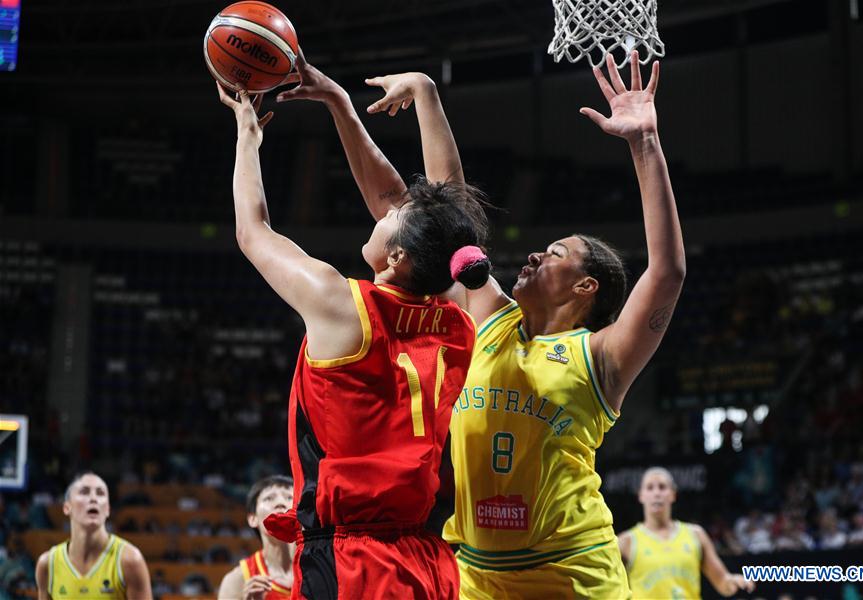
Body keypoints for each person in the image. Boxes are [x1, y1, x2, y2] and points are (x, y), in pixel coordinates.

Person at [283, 50, 685, 597]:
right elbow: (432, 217)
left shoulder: (602, 356)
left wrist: (643, 143)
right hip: (475, 576)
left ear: (586, 287)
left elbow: (667, 270)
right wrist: (421, 94)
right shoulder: (490, 319)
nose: (535, 256)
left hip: (572, 573)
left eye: (556, 253)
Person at [216, 63, 491, 599]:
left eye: (390, 218)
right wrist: (342, 104)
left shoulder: (342, 306)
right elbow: (448, 216)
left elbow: (253, 230)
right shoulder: (457, 320)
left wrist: (248, 135)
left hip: (354, 561)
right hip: (428, 560)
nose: (382, 212)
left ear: (398, 255)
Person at [619, 467, 755, 598]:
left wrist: (733, 582)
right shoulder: (626, 541)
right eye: (650, 488)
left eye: (662, 487)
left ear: (673, 494)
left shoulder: (695, 534)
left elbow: (722, 582)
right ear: (640, 495)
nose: (657, 493)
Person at [34, 472, 151, 600]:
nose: (93, 498)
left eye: (100, 493)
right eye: (84, 492)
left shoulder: (130, 561)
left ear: (107, 509)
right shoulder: (48, 564)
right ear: (67, 507)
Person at [218, 476, 295, 600]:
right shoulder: (238, 580)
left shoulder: (320, 566)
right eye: (269, 498)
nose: (280, 503)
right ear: (253, 518)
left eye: (289, 497)